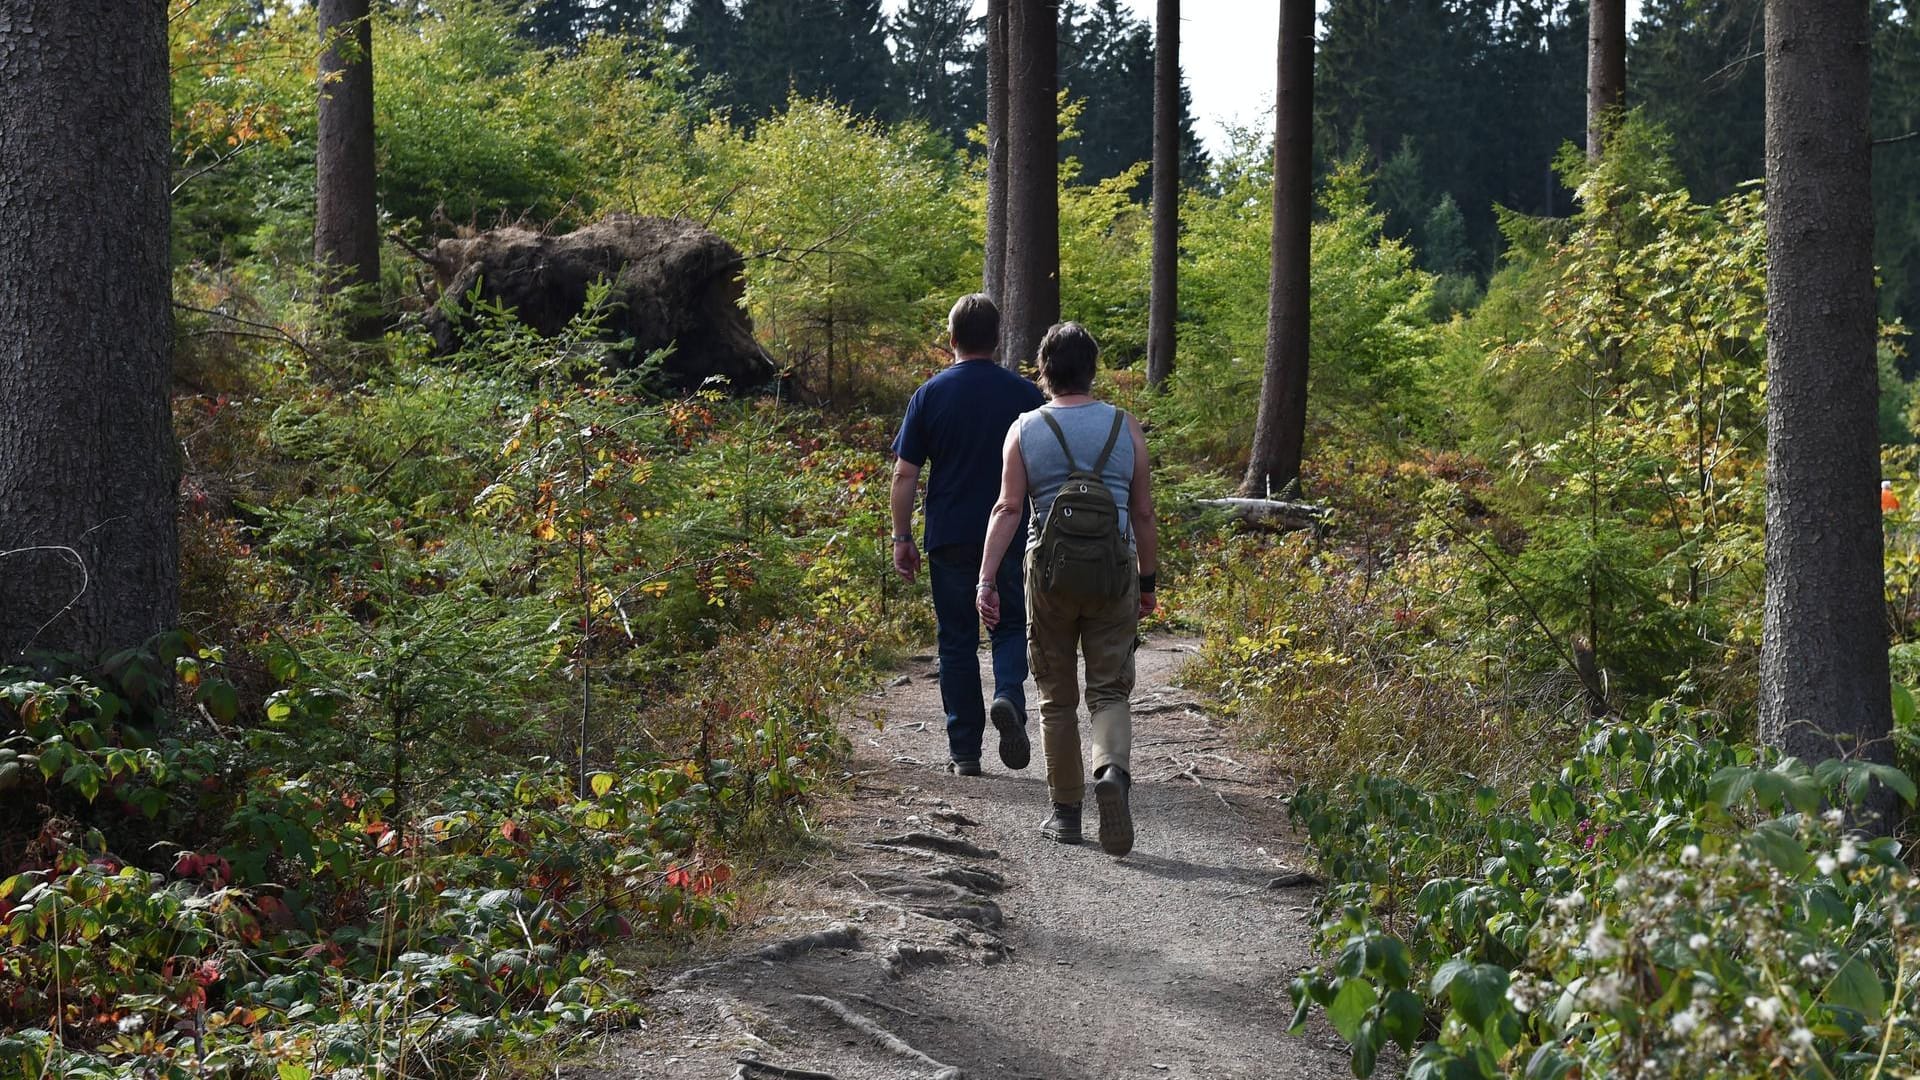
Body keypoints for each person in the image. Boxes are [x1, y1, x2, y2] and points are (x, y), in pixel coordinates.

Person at [976, 322, 1157, 856]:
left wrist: (987, 580)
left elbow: (1008, 508)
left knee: (1056, 697)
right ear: (1093, 370)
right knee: (1109, 689)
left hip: (1048, 577)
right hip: (1113, 573)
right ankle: (1112, 774)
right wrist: (1147, 581)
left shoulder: (1024, 428)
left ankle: (1066, 815)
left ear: (1044, 371)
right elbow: (1143, 512)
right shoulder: (1126, 428)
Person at [890, 294, 1047, 776]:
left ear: (952, 339)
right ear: (998, 340)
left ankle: (964, 752)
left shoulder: (930, 394)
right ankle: (1007, 696)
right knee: (1010, 625)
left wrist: (902, 536)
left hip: (950, 534)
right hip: (1011, 532)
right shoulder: (1025, 396)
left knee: (956, 640)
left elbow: (904, 475)